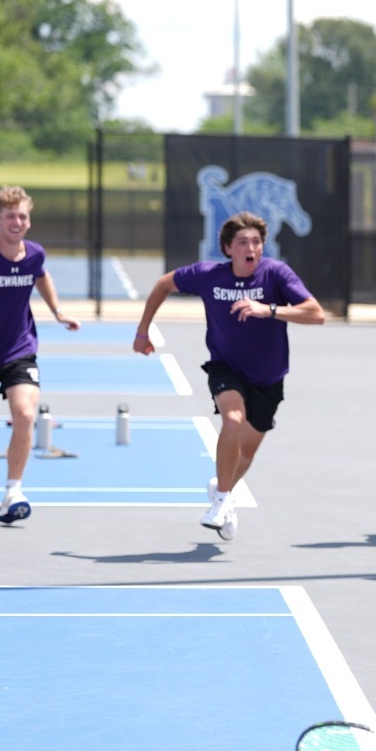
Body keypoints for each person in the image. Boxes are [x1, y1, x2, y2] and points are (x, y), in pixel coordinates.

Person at [133, 211, 325, 541]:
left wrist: (271, 310)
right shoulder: (209, 275)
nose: (251, 247)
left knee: (246, 454)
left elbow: (316, 314)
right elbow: (164, 283)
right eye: (242, 242)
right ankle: (222, 500)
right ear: (227, 249)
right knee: (232, 421)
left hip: (268, 376)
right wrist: (142, 330)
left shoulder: (276, 274)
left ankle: (224, 491)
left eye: (256, 242)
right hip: (226, 368)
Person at [0, 187, 81, 524]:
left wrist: (57, 311)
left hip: (20, 350)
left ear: (29, 220)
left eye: (22, 216)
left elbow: (41, 275)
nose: (17, 222)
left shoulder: (34, 254)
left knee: (24, 414)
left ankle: (12, 492)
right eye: (10, 216)